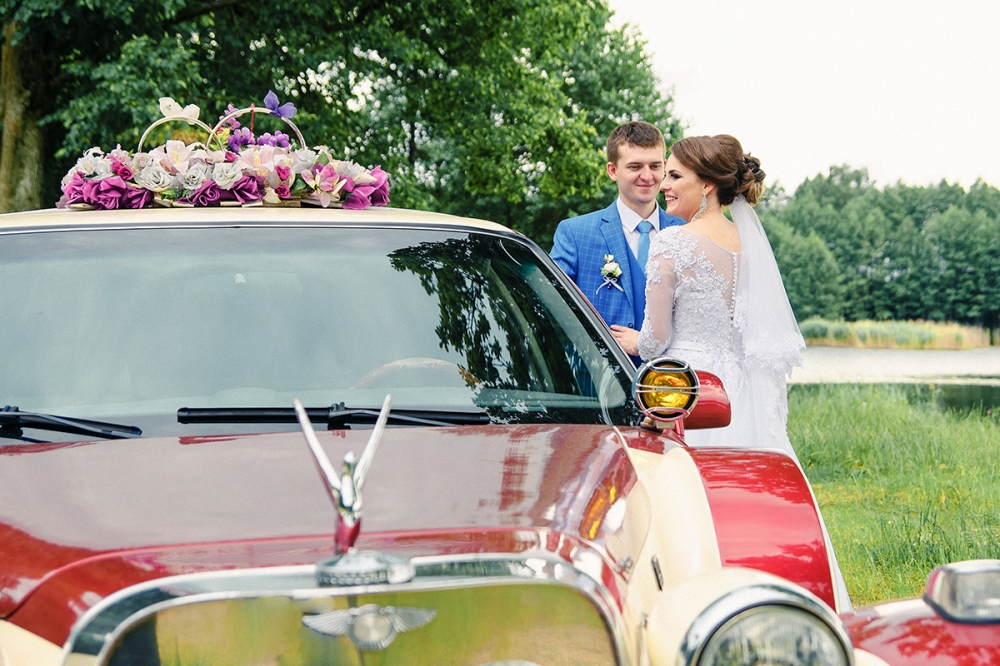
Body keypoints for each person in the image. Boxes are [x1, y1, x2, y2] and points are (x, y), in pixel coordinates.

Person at [611, 134, 805, 458]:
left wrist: (634, 342)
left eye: (674, 176)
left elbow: (654, 342)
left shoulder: (672, 242)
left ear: (707, 185)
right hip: (740, 394)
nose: (663, 186)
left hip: (690, 392)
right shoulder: (749, 242)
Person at [550, 122, 685, 350]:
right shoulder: (575, 233)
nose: (647, 176)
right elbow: (552, 306)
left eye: (654, 166)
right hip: (598, 376)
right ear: (613, 170)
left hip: (669, 377)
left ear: (664, 166)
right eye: (635, 167)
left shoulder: (685, 232)